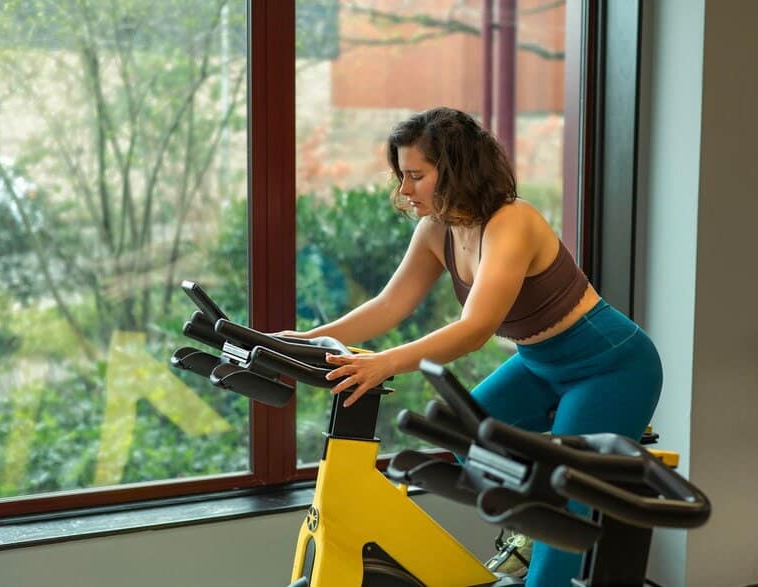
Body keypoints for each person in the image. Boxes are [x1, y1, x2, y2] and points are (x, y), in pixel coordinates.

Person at [282, 106, 663, 587]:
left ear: (455, 169)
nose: (404, 190)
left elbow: (475, 328)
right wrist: (310, 340)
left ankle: (543, 544)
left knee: (564, 508)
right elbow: (388, 306)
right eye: (402, 176)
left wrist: (384, 364)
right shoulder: (436, 230)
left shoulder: (512, 222)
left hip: (610, 366)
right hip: (540, 363)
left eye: (416, 175)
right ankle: (528, 527)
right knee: (465, 431)